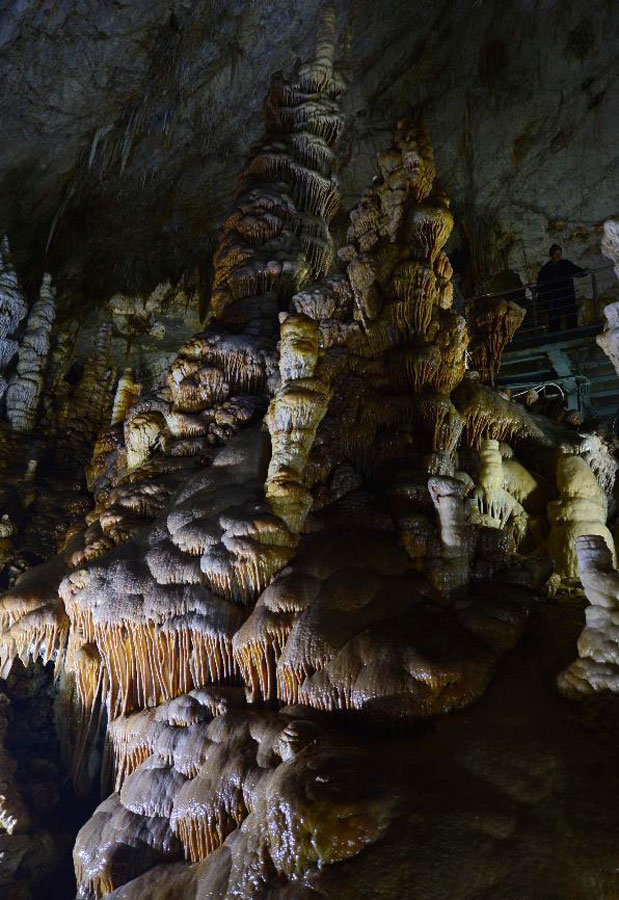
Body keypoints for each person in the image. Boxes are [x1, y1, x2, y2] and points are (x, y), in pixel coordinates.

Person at [536, 244, 586, 332]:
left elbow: (577, 270)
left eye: (559, 253)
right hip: (554, 298)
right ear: (552, 255)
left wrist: (584, 271)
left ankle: (573, 333)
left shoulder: (566, 264)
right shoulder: (546, 269)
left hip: (567, 295)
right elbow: (541, 283)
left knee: (571, 316)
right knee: (554, 319)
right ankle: (556, 336)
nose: (558, 256)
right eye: (556, 254)